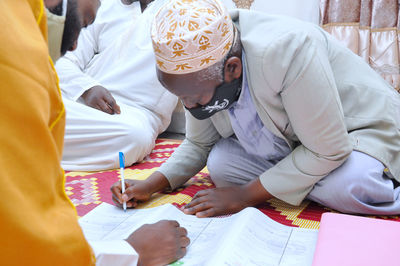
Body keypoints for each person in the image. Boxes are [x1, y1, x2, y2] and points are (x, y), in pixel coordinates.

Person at [111, 0, 400, 217]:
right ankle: (298, 181)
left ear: (232, 69)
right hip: (298, 146)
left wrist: (245, 195)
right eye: (181, 98)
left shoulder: (289, 51)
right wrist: (151, 183)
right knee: (221, 164)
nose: (189, 106)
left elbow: (329, 149)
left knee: (357, 184)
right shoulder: (200, 71)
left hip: (357, 134)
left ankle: (304, 183)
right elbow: (199, 143)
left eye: (196, 99)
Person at [0, 0, 189, 265]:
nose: (75, 45)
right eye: (86, 23)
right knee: (45, 104)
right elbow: (33, 245)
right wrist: (130, 253)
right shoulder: (14, 55)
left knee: (131, 134)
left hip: (130, 116)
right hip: (75, 99)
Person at [55, 0, 177, 171]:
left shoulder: (185, 10)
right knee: (35, 104)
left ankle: (31, 147)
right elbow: (64, 58)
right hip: (80, 102)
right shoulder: (101, 5)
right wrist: (87, 88)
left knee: (134, 138)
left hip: (132, 117)